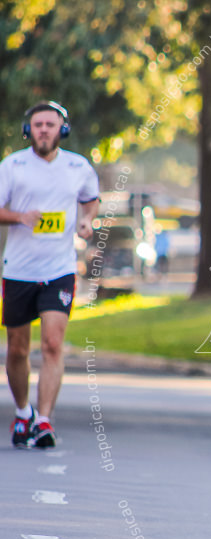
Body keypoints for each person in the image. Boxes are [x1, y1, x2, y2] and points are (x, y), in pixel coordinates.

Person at [0, 101, 98, 448]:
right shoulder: (12, 166)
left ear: (62, 129)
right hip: (19, 272)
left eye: (50, 124)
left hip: (59, 270)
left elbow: (90, 199)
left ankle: (43, 421)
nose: (43, 130)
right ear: (29, 130)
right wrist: (19, 217)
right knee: (17, 349)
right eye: (37, 124)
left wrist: (86, 220)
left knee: (53, 344)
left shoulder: (78, 166)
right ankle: (23, 411)